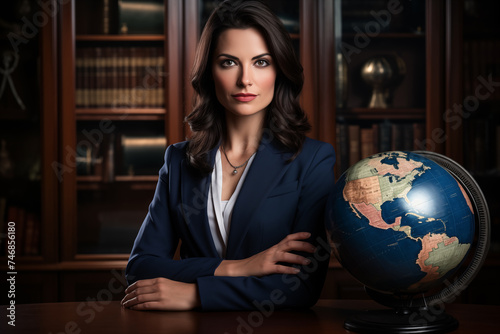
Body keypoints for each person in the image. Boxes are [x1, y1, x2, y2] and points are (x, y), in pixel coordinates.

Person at [121, 0, 335, 311]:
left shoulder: (312, 160)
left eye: (261, 62)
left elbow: (300, 287)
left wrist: (195, 295)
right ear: (209, 71)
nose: (245, 79)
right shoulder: (179, 161)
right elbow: (141, 268)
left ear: (279, 70)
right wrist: (237, 267)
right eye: (228, 62)